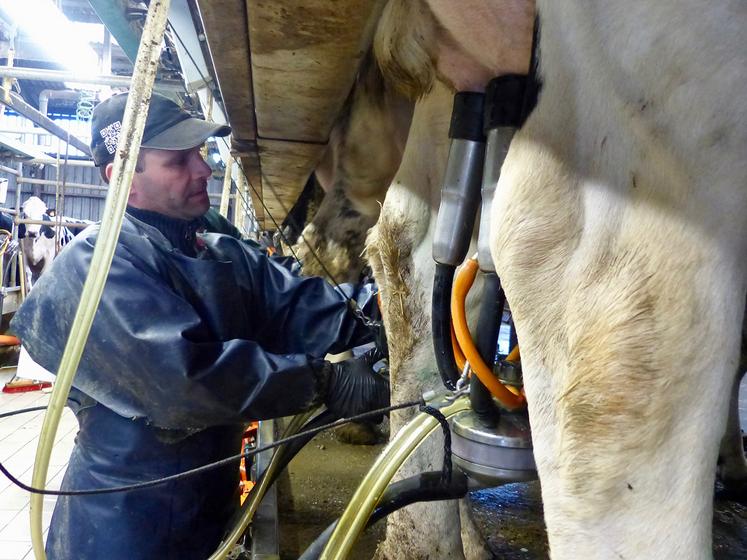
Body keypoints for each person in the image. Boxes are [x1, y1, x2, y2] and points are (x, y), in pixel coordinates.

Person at [10, 92, 389, 560]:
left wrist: (380, 319)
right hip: (125, 523)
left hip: (209, 502)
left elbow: (297, 305)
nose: (203, 169)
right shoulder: (97, 263)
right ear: (123, 178)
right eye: (178, 161)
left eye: (200, 154)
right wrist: (328, 382)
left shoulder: (218, 253)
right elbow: (182, 381)